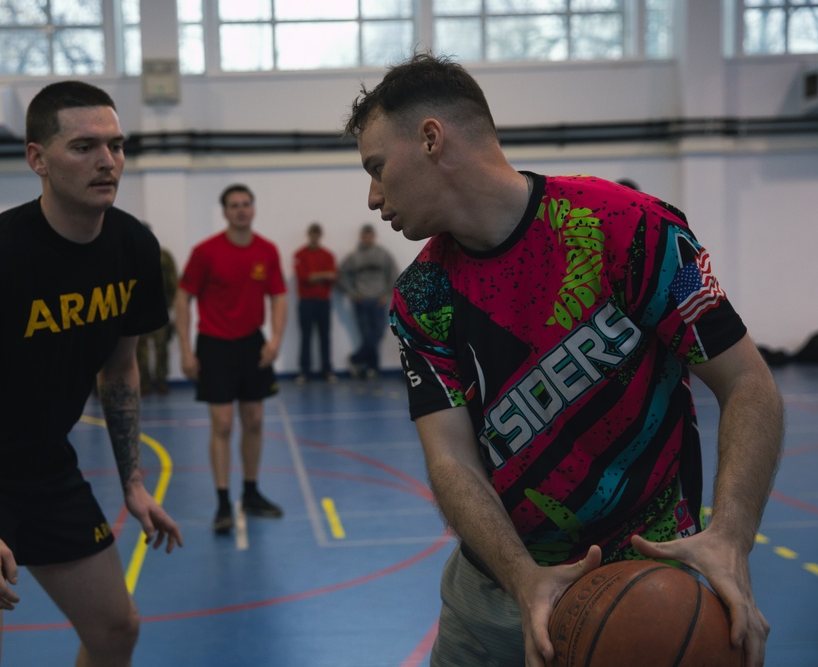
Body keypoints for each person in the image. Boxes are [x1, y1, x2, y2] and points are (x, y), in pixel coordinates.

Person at [343, 53, 782, 667]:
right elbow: (450, 458)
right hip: (499, 590)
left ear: (431, 139)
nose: (371, 197)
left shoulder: (633, 229)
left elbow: (746, 383)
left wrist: (732, 537)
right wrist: (523, 578)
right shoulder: (422, 296)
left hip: (651, 582)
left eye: (376, 168)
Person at [0, 81, 183, 667]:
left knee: (115, 631)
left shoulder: (133, 248)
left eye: (116, 145)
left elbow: (121, 369)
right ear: (38, 159)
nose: (107, 161)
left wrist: (132, 481)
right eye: (83, 147)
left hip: (45, 466)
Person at [174, 184, 288, 534]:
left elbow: (279, 297)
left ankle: (251, 493)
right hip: (215, 345)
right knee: (222, 424)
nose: (241, 210)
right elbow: (182, 298)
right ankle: (224, 502)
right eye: (234, 205)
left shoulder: (267, 251)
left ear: (253, 209)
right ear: (224, 212)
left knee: (254, 420)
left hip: (251, 344)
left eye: (246, 204)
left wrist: (275, 341)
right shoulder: (205, 252)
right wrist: (185, 349)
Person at [337, 223, 398, 379]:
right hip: (361, 302)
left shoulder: (383, 254)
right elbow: (341, 275)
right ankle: (372, 368)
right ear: (361, 237)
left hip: (379, 301)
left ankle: (355, 359)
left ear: (373, 237)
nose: (367, 239)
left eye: (369, 236)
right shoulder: (354, 257)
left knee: (377, 335)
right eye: (364, 236)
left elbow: (394, 274)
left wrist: (386, 294)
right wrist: (352, 293)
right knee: (367, 336)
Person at [293, 221, 338, 384]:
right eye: (312, 233)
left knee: (325, 336)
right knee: (306, 336)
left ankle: (327, 370)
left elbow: (332, 277)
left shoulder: (328, 255)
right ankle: (304, 371)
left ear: (320, 235)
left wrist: (316, 276)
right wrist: (323, 275)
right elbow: (304, 277)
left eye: (317, 233)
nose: (314, 236)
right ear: (309, 235)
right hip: (306, 302)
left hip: (323, 302)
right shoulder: (299, 255)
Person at [137, 238, 179, 394]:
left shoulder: (163, 256)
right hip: (138, 313)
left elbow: (173, 282)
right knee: (139, 351)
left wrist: (172, 307)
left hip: (159, 310)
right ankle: (144, 383)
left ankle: (161, 382)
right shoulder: (130, 255)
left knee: (161, 349)